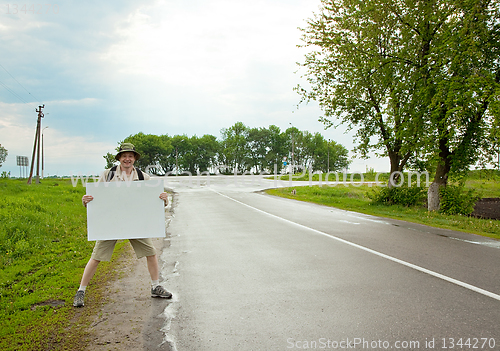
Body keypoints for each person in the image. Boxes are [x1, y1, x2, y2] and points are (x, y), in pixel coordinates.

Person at [73, 142, 172, 307]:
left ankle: (156, 286)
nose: (127, 159)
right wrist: (86, 201)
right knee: (96, 256)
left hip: (135, 224)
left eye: (130, 156)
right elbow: (94, 198)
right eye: (124, 156)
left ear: (134, 159)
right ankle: (81, 291)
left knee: (151, 252)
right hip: (112, 224)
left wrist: (164, 199)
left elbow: (155, 202)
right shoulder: (108, 175)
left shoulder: (143, 177)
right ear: (119, 158)